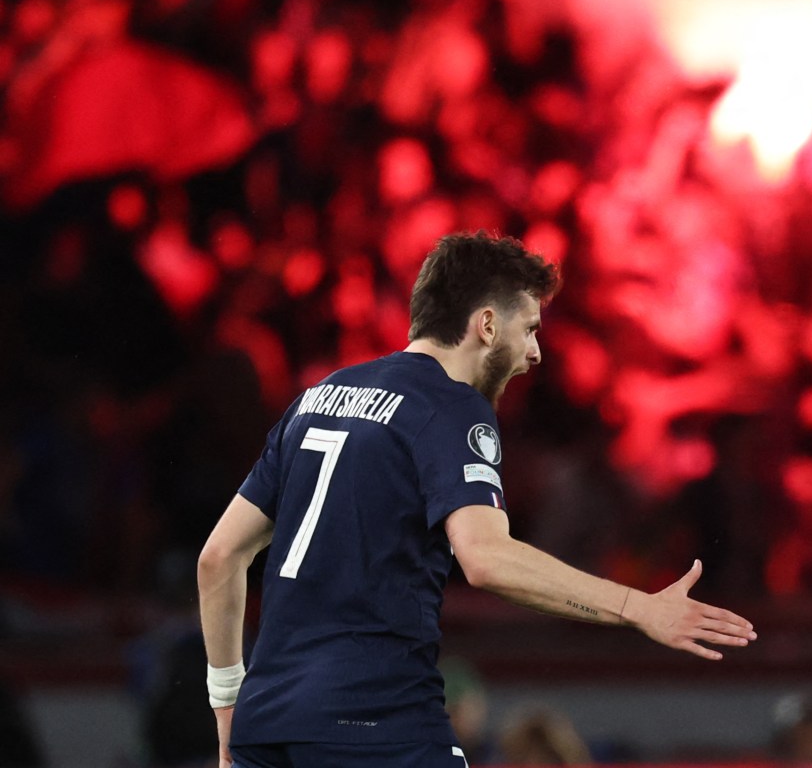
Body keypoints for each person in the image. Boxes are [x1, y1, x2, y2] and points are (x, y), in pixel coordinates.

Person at [197, 231, 756, 768]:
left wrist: (228, 706)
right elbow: (487, 559)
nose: (535, 353)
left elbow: (218, 559)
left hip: (267, 724)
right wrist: (639, 608)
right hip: (374, 719)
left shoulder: (315, 400)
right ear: (487, 325)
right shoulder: (450, 406)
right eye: (529, 329)